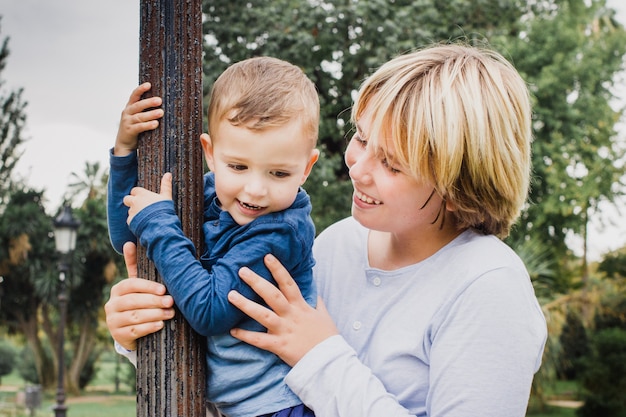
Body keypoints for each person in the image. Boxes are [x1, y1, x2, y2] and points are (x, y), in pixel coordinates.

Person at [105, 43, 548, 417]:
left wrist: (319, 355)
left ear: (458, 187)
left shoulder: (489, 286)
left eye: (391, 163)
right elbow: (241, 375)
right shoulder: (338, 243)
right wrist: (147, 330)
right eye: (361, 137)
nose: (357, 167)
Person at [107, 56, 320, 417]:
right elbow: (130, 234)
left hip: (279, 406)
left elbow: (210, 311)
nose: (254, 191)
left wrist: (159, 224)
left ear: (307, 168)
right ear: (210, 153)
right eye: (237, 167)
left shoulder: (282, 229)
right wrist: (125, 151)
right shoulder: (209, 195)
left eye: (279, 174)